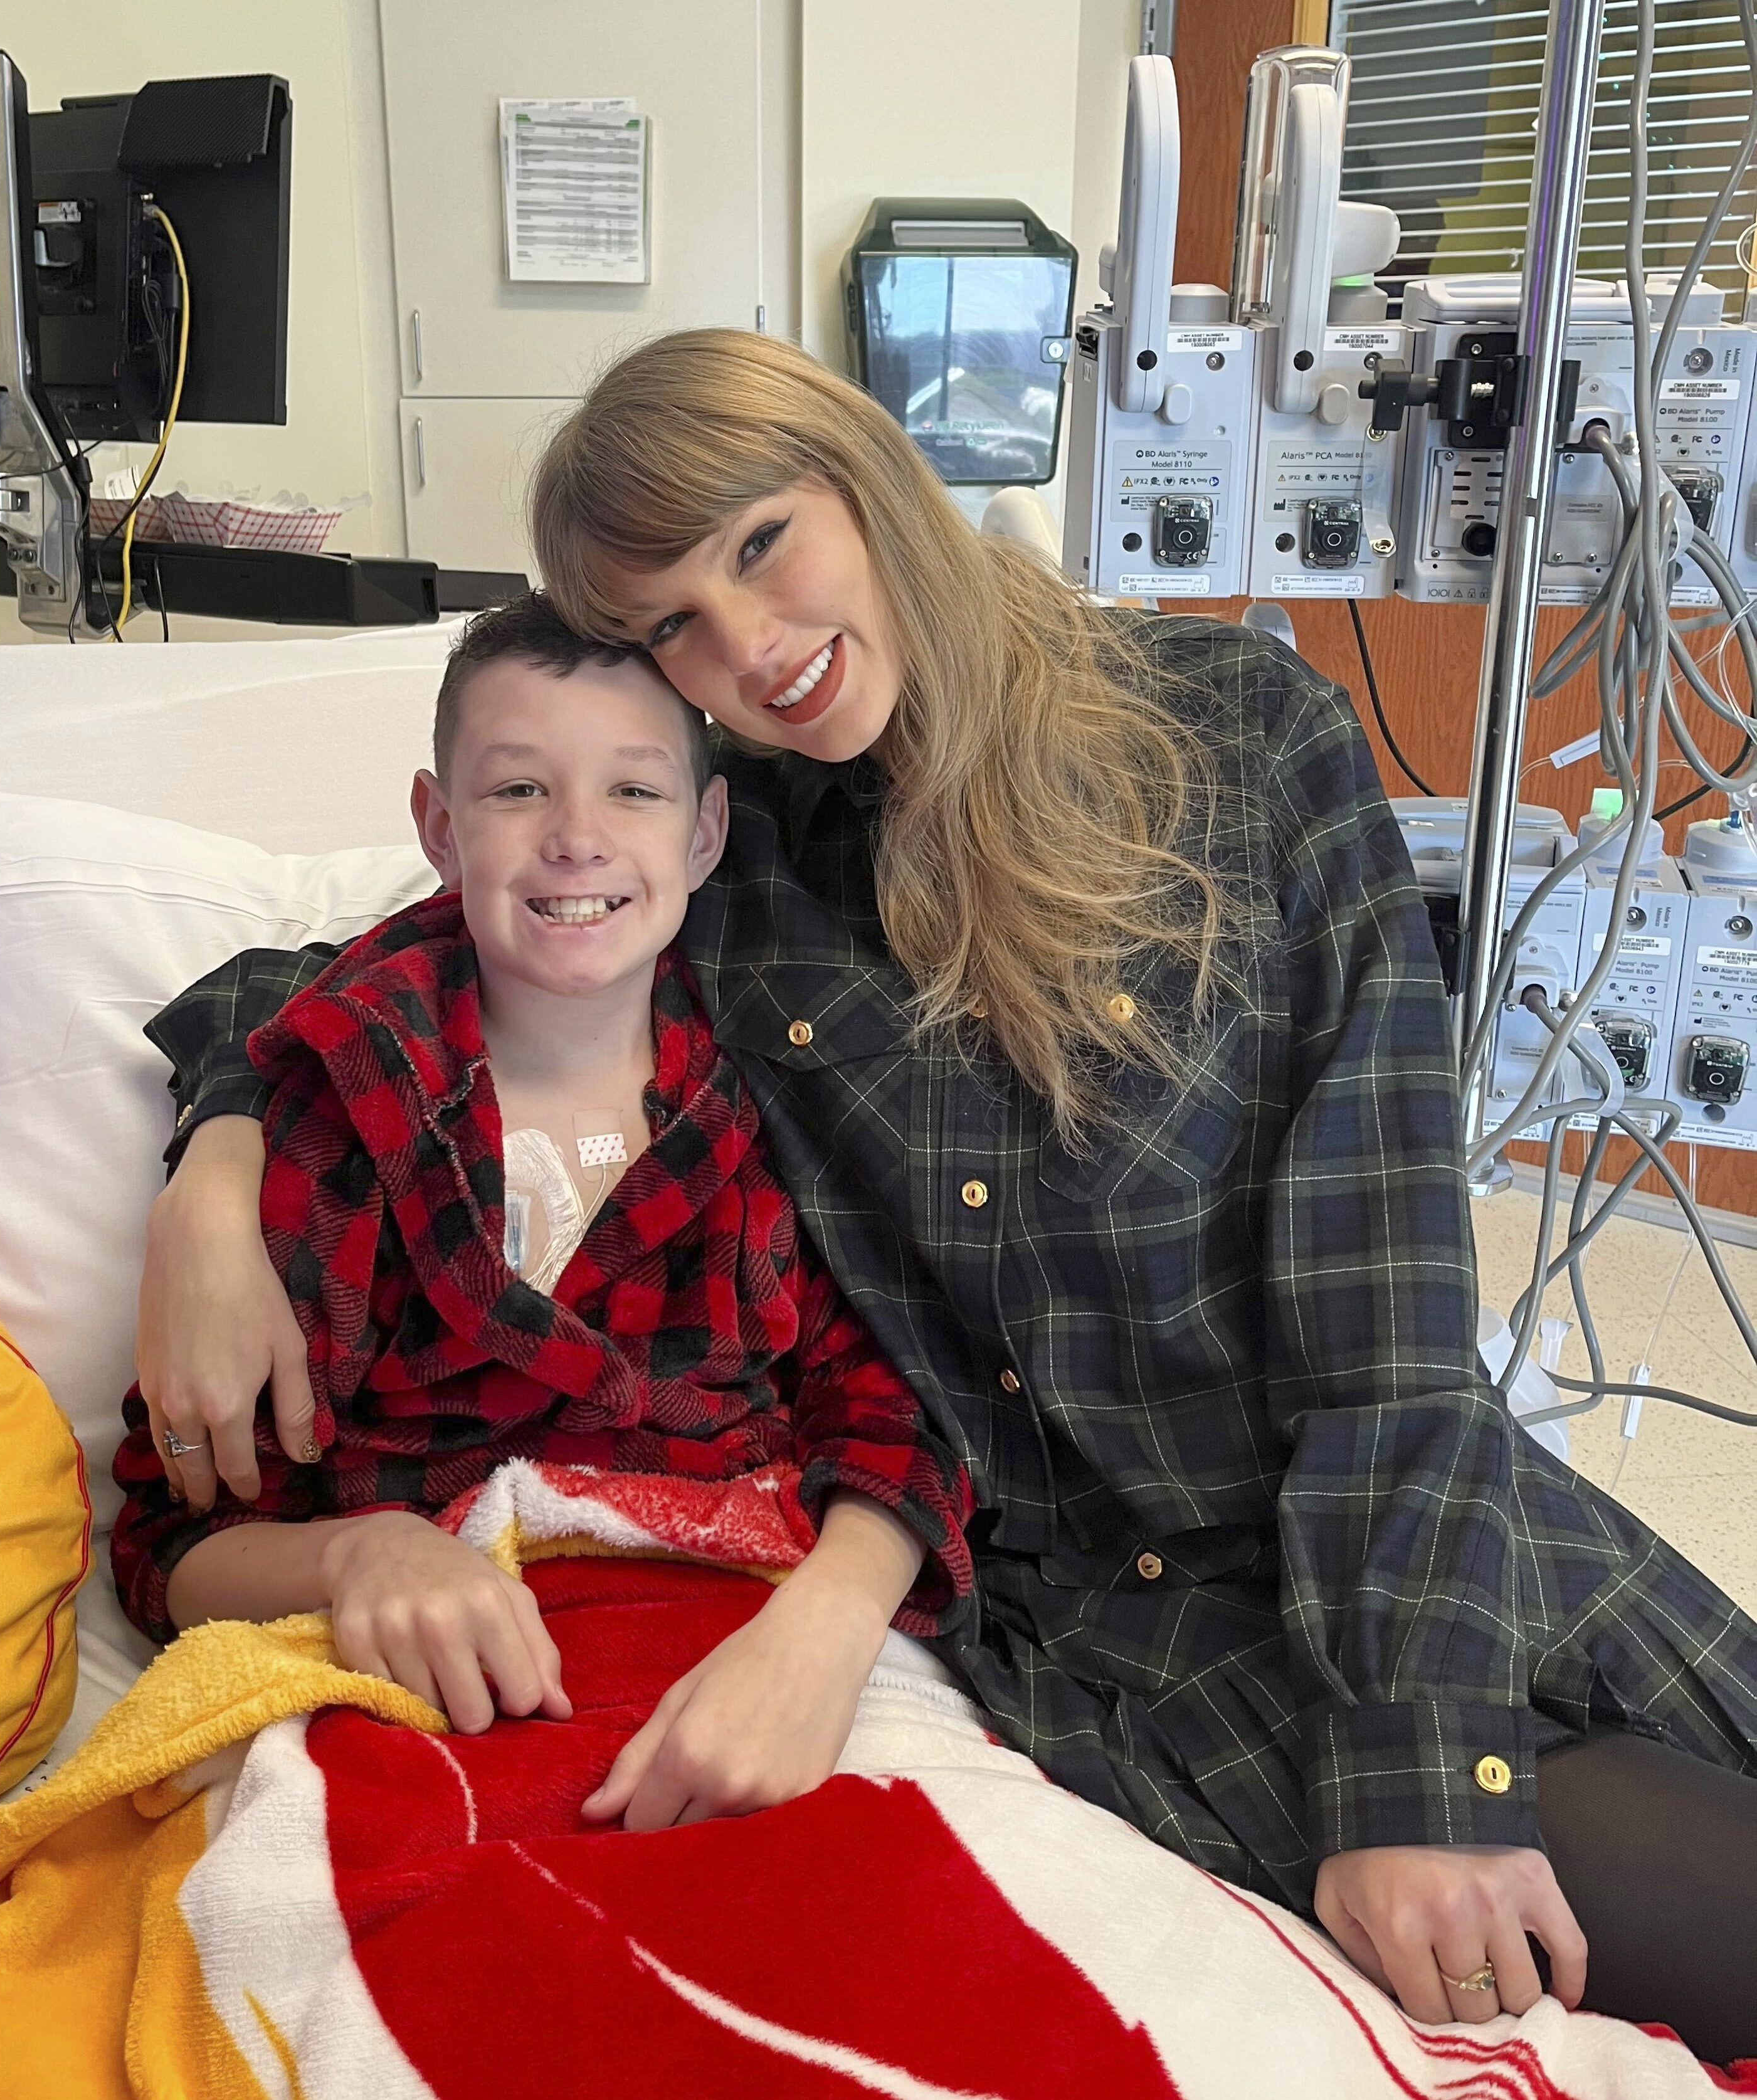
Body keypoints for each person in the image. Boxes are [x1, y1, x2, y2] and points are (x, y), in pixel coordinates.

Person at [133, 330, 1757, 2062]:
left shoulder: (1238, 740)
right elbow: (360, 966)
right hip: (1115, 1637)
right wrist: (213, 1189)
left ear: (864, 473)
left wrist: (1426, 1774)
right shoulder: (730, 861)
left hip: (1402, 1540)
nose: (748, 646)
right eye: (674, 622)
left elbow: (1393, 1329)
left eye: (762, 542)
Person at [112, 592, 973, 1829]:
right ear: (439, 826)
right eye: (519, 791)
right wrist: (362, 1553)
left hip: (761, 1644)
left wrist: (820, 1634)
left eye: (634, 791)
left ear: (706, 831)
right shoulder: (337, 1121)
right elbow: (171, 1542)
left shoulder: (786, 1090)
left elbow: (901, 1414)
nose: (577, 836)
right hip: (434, 1691)